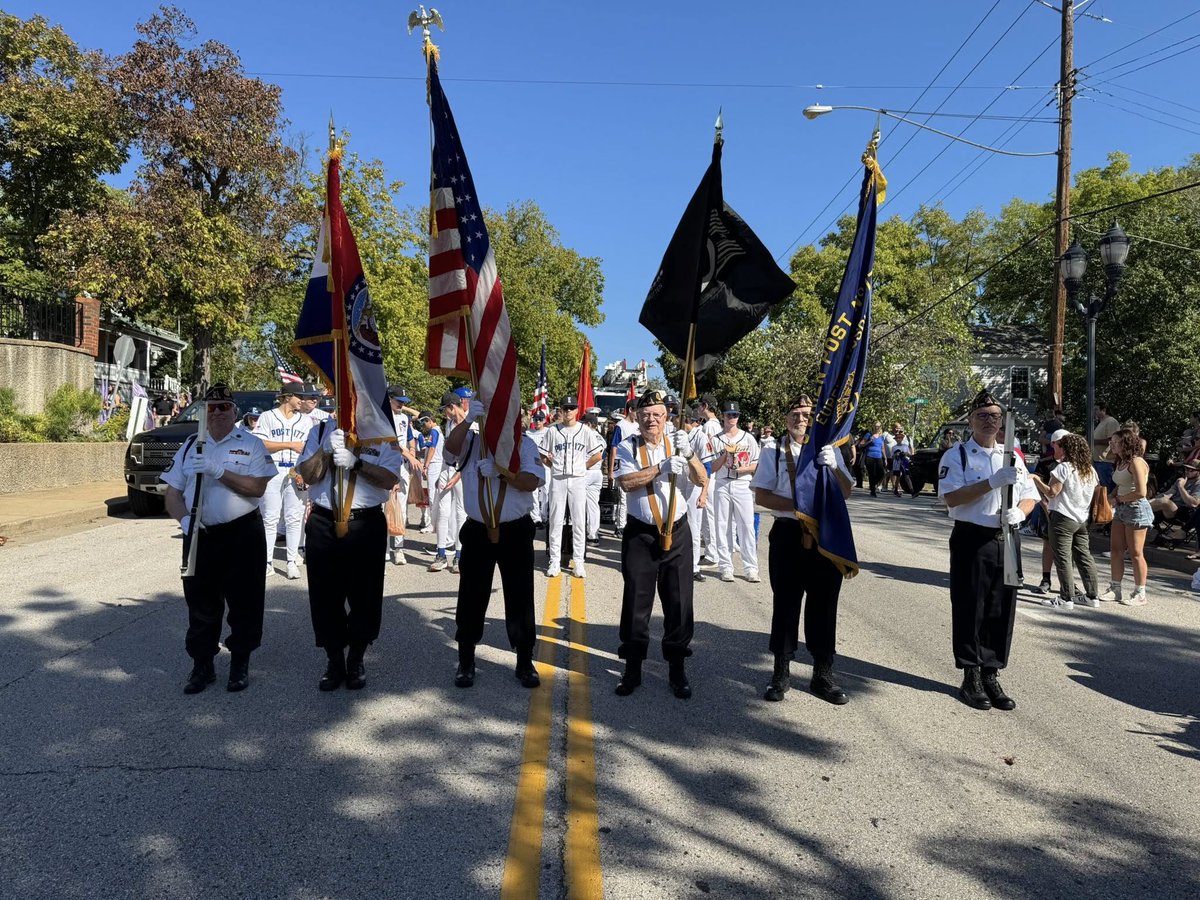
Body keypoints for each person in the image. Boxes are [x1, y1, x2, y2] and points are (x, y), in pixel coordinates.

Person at [162, 384, 277, 693]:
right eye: (211, 408)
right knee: (200, 602)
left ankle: (240, 662)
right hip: (201, 535)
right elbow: (172, 493)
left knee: (245, 601)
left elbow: (257, 488)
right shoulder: (190, 445)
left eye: (223, 407)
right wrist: (183, 519)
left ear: (234, 412)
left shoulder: (251, 444)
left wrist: (217, 470)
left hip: (241, 533)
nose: (217, 413)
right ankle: (202, 666)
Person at [937, 390, 1038, 711]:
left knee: (1002, 606)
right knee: (970, 605)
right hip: (972, 538)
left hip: (1007, 538)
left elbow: (1030, 495)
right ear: (970, 420)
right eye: (982, 415)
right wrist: (992, 483)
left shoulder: (1013, 457)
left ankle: (992, 672)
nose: (990, 421)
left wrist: (1021, 512)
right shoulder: (958, 455)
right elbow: (951, 498)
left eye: (995, 416)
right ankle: (971, 673)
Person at [751, 395, 855, 705]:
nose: (801, 419)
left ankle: (822, 674)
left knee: (824, 606)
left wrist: (835, 466)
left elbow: (846, 491)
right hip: (788, 534)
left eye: (807, 414)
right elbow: (763, 496)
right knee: (785, 604)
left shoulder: (830, 450)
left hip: (825, 537)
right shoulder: (773, 452)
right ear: (785, 419)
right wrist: (800, 507)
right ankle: (780, 673)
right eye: (795, 413)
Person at [613, 388, 708, 698]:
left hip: (677, 532)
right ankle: (633, 669)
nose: (651, 420)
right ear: (636, 418)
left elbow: (701, 480)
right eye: (645, 415)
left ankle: (677, 668)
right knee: (636, 603)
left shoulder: (679, 443)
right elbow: (625, 483)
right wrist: (661, 468)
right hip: (641, 535)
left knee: (679, 603)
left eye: (657, 414)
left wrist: (689, 456)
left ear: (667, 417)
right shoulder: (628, 446)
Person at [295, 412, 401, 691]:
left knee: (365, 595)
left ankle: (356, 658)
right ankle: (333, 660)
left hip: (365, 524)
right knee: (324, 596)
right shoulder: (320, 432)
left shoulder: (383, 435)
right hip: (323, 522)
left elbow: (390, 479)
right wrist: (325, 451)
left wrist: (358, 464)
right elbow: (306, 474)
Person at [444, 398, 545, 689]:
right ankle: (466, 660)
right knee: (471, 596)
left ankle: (525, 661)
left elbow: (531, 481)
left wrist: (503, 473)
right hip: (477, 531)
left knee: (520, 597)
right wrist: (466, 421)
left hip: (515, 531)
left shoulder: (523, 444)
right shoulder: (472, 441)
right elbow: (450, 450)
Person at [1030, 432, 1100, 610]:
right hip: (1082, 519)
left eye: (1060, 445)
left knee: (1063, 558)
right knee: (1084, 556)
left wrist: (1036, 479)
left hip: (1062, 518)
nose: (1058, 448)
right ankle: (1092, 596)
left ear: (1067, 449)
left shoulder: (1063, 468)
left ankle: (1066, 597)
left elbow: (1052, 492)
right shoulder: (1090, 470)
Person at [253, 388, 313, 579]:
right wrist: (288, 444)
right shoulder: (268, 416)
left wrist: (305, 473)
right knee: (269, 518)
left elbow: (308, 449)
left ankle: (291, 562)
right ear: (287, 397)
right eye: (299, 396)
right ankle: (267, 562)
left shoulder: (305, 420)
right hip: (272, 469)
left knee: (294, 518)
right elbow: (260, 443)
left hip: (296, 471)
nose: (302, 400)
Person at [543, 395, 605, 578]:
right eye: (565, 408)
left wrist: (581, 467)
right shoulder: (553, 431)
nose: (568, 411)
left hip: (578, 479)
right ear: (560, 410)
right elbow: (542, 454)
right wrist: (553, 466)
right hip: (558, 479)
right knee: (555, 520)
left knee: (579, 521)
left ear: (577, 410)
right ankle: (554, 560)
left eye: (571, 408)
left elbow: (597, 455)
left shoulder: (585, 431)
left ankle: (578, 561)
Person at [1101, 428, 1153, 606]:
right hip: (1122, 508)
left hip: (1136, 508)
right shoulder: (1121, 461)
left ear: (1126, 443)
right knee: (1116, 550)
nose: (1112, 445)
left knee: (1136, 553)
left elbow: (1141, 492)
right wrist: (1112, 496)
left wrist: (1117, 499)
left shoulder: (1136, 462)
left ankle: (1140, 592)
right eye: (1111, 442)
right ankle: (1115, 588)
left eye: (1116, 442)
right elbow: (1120, 483)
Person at [710, 400, 760, 583]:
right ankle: (725, 567)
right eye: (729, 414)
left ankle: (751, 568)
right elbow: (712, 468)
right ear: (722, 416)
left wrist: (743, 469)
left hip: (742, 483)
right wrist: (725, 455)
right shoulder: (716, 439)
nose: (732, 418)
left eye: (735, 415)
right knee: (722, 526)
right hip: (722, 483)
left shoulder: (748, 438)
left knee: (746, 526)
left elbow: (756, 464)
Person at [431, 390, 470, 573]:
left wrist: (457, 475)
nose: (444, 413)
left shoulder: (471, 424)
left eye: (445, 409)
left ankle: (459, 555)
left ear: (452, 407)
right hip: (447, 467)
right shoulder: (449, 423)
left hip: (461, 470)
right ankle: (441, 553)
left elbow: (470, 455)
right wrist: (441, 473)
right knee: (442, 509)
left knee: (461, 512)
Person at [386, 385, 421, 566]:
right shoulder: (383, 416)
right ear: (389, 398)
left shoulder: (404, 418)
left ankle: (399, 549)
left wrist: (412, 451)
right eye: (398, 400)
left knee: (402, 509)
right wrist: (407, 454)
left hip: (403, 466)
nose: (401, 404)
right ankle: (384, 549)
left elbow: (409, 438)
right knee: (385, 507)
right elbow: (391, 443)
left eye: (403, 402)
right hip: (386, 465)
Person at [609, 403, 638, 538]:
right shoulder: (621, 426)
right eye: (637, 410)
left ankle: (629, 523)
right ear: (631, 410)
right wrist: (612, 471)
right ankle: (620, 526)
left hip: (635, 465)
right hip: (623, 465)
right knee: (622, 498)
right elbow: (614, 448)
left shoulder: (638, 425)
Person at [415, 410, 444, 534]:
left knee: (433, 496)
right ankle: (434, 523)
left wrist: (425, 466)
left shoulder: (434, 431)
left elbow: (432, 449)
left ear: (429, 421)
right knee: (434, 495)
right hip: (436, 464)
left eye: (424, 423)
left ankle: (433, 525)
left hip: (434, 465)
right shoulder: (438, 431)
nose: (423, 427)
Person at [1150, 460, 1200, 531]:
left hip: (1186, 513)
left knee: (1165, 502)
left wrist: (1181, 487)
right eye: (1186, 468)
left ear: (1198, 471)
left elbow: (1193, 503)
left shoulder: (1198, 484)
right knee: (1159, 500)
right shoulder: (1182, 480)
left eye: (1191, 470)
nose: (1187, 471)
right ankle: (1142, 507)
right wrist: (1153, 500)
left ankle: (1139, 509)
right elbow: (1167, 494)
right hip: (1172, 509)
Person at [582, 411, 604, 544]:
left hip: (587, 470)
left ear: (589, 424)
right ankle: (593, 534)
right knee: (593, 505)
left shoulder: (587, 436)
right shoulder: (601, 437)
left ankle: (579, 532)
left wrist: (581, 467)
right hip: (597, 473)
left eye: (583, 423)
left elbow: (594, 456)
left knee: (579, 503)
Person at [1092, 401, 1121, 487]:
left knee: (1107, 487)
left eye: (1096, 409)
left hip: (1105, 461)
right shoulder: (1101, 423)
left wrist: (1094, 441)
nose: (1094, 412)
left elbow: (1112, 440)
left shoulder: (1111, 422)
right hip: (1097, 460)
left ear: (1103, 410)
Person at [861, 422, 887, 496]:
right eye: (875, 426)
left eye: (878, 426)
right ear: (873, 427)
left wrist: (885, 458)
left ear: (880, 427)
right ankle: (873, 491)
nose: (877, 428)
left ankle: (872, 485)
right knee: (872, 474)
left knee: (882, 473)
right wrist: (869, 441)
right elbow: (861, 445)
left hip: (878, 457)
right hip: (870, 456)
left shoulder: (881, 436)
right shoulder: (868, 435)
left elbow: (882, 448)